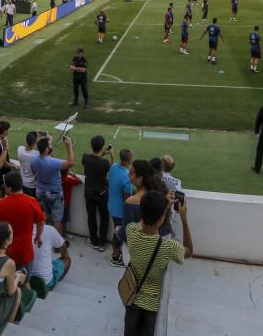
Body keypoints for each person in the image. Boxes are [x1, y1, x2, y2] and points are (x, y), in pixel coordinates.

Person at [123, 190, 193, 336]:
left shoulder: (131, 231)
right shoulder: (169, 247)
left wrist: (162, 208)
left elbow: (141, 222)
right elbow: (189, 250)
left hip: (131, 298)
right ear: (161, 219)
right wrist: (184, 218)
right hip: (151, 307)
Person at [0, 171, 45, 269]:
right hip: (24, 255)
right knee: (24, 281)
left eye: (5, 186)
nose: (4, 187)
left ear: (9, 188)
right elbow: (41, 222)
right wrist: (38, 237)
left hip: (4, 255)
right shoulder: (32, 202)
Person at [31, 136, 74, 236]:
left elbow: (34, 173)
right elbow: (71, 162)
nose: (52, 146)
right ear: (46, 149)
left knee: (45, 215)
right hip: (54, 193)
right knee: (57, 220)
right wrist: (69, 146)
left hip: (40, 191)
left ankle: (44, 236)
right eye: (50, 145)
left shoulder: (34, 161)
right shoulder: (53, 162)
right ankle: (57, 244)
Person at [81, 135, 112, 251]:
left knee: (91, 217)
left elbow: (92, 159)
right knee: (104, 217)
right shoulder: (105, 162)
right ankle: (102, 244)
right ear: (102, 146)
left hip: (89, 192)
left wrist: (101, 153)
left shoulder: (85, 157)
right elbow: (112, 170)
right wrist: (111, 154)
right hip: (102, 193)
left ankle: (94, 241)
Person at [108, 148, 134, 267]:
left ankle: (116, 254)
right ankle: (115, 258)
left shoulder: (113, 167)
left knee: (117, 231)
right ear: (129, 160)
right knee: (118, 233)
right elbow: (127, 200)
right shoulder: (127, 179)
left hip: (112, 207)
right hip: (120, 211)